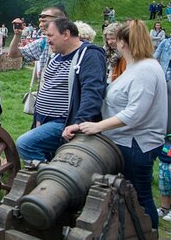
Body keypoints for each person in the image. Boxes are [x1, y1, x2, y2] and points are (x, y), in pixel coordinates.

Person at [62, 20, 168, 228]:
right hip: (125, 141)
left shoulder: (145, 70)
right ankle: (128, 236)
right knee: (125, 193)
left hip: (137, 144)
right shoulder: (136, 67)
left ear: (121, 43)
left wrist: (97, 127)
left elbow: (135, 113)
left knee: (138, 195)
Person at [15, 18, 106, 162]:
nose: (47, 40)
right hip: (44, 120)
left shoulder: (89, 55)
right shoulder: (56, 55)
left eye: (50, 36)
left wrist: (80, 122)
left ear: (66, 34)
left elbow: (92, 91)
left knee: (25, 144)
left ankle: (50, 177)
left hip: (65, 122)